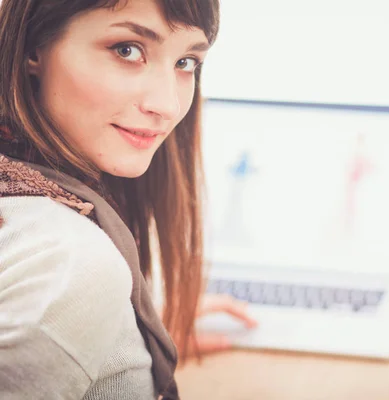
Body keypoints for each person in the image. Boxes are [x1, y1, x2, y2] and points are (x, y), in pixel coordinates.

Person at [0, 0, 256, 398]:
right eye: (127, 50)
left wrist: (130, 337)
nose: (167, 106)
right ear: (33, 46)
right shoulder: (73, 263)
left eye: (186, 62)